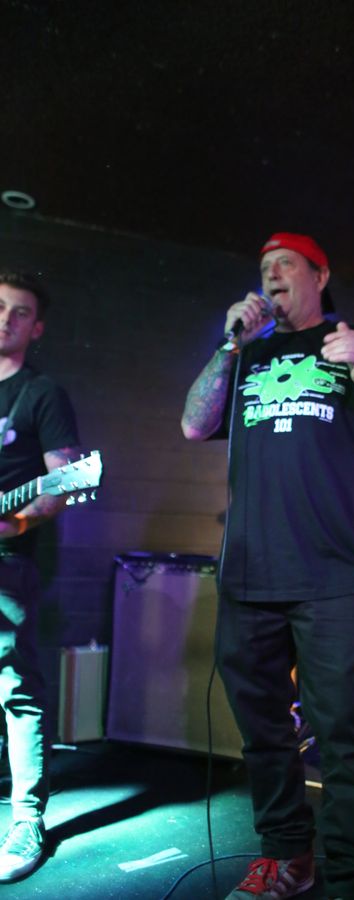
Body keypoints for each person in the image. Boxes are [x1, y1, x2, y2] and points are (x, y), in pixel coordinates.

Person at [181, 232, 354, 900]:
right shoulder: (246, 353)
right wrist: (228, 345)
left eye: (285, 263)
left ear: (320, 274)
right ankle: (288, 856)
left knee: (342, 738)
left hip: (331, 579)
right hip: (249, 578)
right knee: (263, 735)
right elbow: (194, 425)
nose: (271, 275)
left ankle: (350, 877)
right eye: (263, 267)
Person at [0, 272, 80, 882]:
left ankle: (26, 817)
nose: (6, 318)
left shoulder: (41, 393)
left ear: (37, 327)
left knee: (13, 684)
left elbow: (65, 480)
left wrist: (18, 522)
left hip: (7, 560)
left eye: (20, 312)